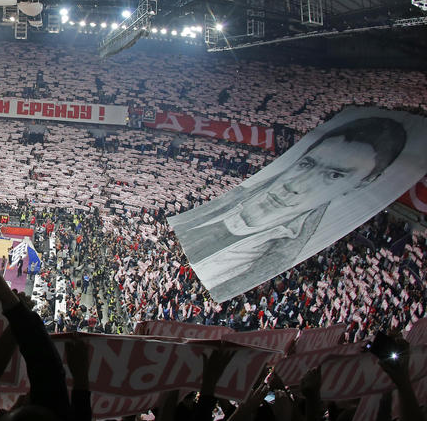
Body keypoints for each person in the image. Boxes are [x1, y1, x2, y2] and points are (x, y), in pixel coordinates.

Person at [169, 116, 407, 301]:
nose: (294, 186)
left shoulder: (280, 252)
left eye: (333, 175)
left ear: (362, 184)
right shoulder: (228, 203)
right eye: (307, 164)